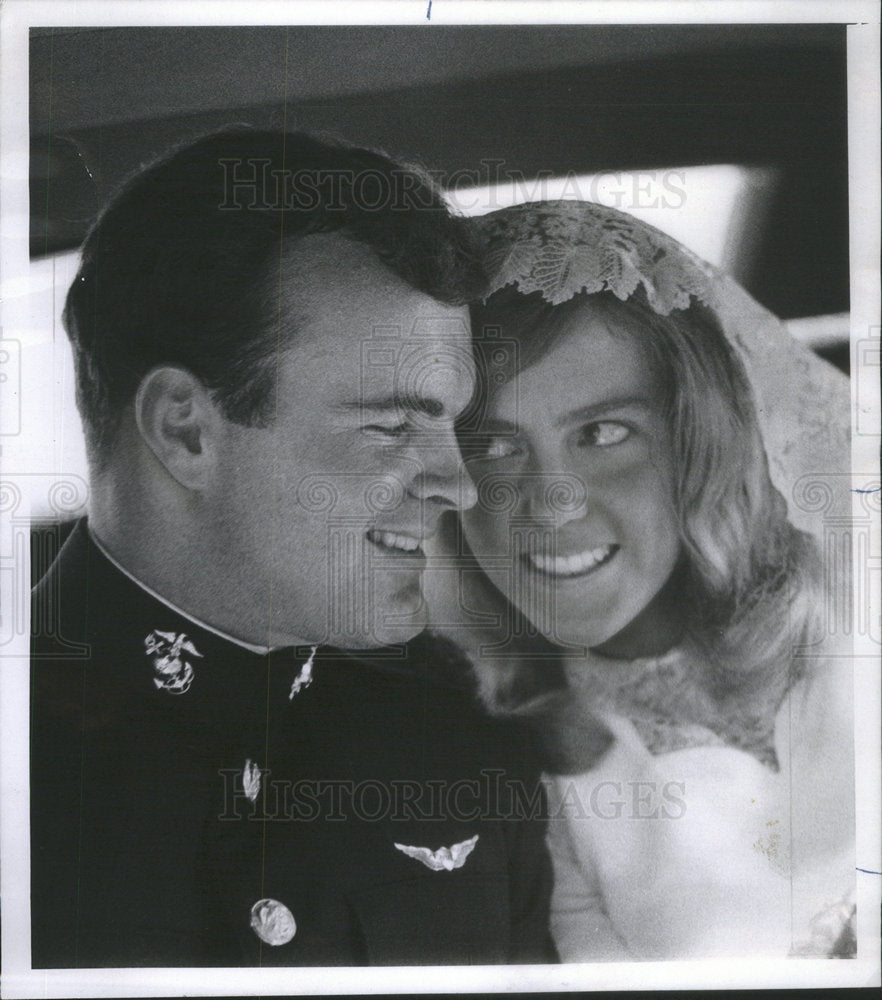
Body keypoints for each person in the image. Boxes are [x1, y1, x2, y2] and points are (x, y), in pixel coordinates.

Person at [29, 129, 558, 968]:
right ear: (185, 430)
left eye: (450, 425)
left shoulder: (453, 736)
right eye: (392, 424)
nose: (456, 486)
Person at [427, 199, 855, 959]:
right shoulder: (506, 778)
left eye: (602, 433)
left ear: (697, 440)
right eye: (492, 448)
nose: (553, 508)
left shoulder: (858, 608)